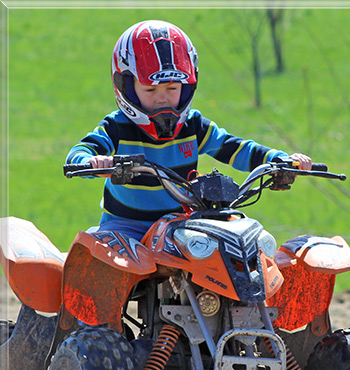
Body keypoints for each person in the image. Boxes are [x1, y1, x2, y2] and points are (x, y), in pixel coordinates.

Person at [66, 20, 311, 241]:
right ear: (126, 86)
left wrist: (278, 160)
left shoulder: (193, 125)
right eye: (150, 91)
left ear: (188, 85)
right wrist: (94, 163)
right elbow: (79, 152)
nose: (162, 99)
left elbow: (235, 148)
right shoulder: (117, 127)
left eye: (172, 89)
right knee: (105, 269)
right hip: (125, 228)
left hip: (180, 226)